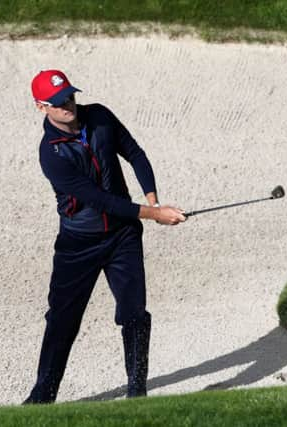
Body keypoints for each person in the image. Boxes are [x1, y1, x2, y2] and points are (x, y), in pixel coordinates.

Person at [24, 69, 186, 404]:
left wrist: (153, 199)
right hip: (78, 244)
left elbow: (135, 153)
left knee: (134, 312)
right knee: (62, 320)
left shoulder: (99, 116)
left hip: (123, 236)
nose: (67, 104)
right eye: (57, 102)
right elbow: (100, 200)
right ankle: (43, 396)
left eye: (68, 95)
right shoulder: (51, 154)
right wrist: (155, 214)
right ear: (42, 107)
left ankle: (137, 392)